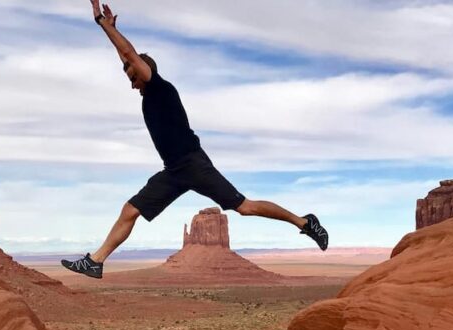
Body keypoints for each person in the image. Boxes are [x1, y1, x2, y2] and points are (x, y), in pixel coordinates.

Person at [62, 1, 328, 279]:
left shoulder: (159, 89)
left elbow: (130, 54)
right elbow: (126, 57)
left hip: (193, 164)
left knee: (244, 207)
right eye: (129, 78)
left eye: (134, 77)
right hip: (174, 171)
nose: (132, 83)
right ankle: (96, 261)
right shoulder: (148, 90)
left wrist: (104, 25)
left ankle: (306, 223)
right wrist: (111, 31)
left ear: (145, 71)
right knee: (130, 210)